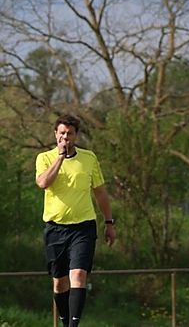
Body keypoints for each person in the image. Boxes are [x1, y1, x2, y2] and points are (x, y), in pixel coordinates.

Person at [35, 114, 116, 327]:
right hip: (56, 228)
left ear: (76, 136)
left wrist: (109, 222)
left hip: (83, 228)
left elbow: (100, 193)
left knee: (78, 275)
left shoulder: (89, 158)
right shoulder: (45, 158)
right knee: (60, 283)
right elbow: (43, 183)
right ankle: (65, 322)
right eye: (62, 133)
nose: (65, 137)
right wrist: (60, 158)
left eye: (70, 134)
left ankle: (73, 325)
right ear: (56, 134)